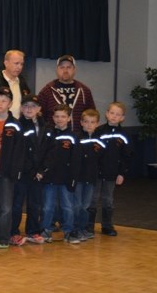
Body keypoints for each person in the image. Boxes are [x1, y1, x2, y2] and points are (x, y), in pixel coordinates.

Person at [0, 87, 24, 248]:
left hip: (7, 173)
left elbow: (20, 151)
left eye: (4, 101)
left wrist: (15, 171)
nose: (0, 104)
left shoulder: (15, 125)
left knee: (6, 207)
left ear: (10, 104)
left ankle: (3, 237)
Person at [37, 104, 81, 244]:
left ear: (69, 118)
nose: (59, 119)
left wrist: (73, 178)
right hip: (49, 178)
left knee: (67, 206)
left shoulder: (73, 137)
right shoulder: (48, 133)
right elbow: (43, 155)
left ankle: (69, 231)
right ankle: (46, 230)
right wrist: (41, 171)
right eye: (56, 116)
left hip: (65, 179)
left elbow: (76, 160)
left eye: (63, 116)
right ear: (52, 117)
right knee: (47, 206)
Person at [88, 102, 133, 236]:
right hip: (96, 172)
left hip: (112, 173)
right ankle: (89, 225)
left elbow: (127, 156)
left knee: (108, 199)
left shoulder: (124, 135)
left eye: (118, 114)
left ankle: (107, 226)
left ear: (122, 118)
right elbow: (92, 152)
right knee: (93, 198)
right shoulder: (98, 131)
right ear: (107, 114)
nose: (114, 116)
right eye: (112, 113)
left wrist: (121, 173)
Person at [11, 94, 47, 244]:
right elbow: (20, 152)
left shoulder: (45, 126)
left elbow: (49, 150)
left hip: (38, 174)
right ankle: (13, 232)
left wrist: (42, 170)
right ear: (21, 108)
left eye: (33, 106)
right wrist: (31, 170)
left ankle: (33, 231)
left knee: (35, 204)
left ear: (39, 109)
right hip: (23, 173)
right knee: (17, 204)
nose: (29, 109)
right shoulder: (18, 126)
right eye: (26, 106)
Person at [37, 55, 96, 132]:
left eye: (69, 67)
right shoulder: (46, 91)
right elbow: (40, 117)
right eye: (62, 67)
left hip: (78, 137)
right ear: (57, 70)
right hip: (55, 138)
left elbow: (92, 115)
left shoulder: (84, 91)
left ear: (74, 70)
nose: (65, 70)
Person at [74, 109, 104, 241]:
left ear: (97, 124)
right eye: (86, 122)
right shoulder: (77, 138)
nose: (89, 125)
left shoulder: (100, 141)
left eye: (92, 122)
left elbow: (102, 159)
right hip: (79, 178)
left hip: (91, 179)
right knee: (77, 205)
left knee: (86, 206)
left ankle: (83, 228)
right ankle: (75, 230)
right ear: (81, 123)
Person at [0, 49, 31, 118]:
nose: (19, 67)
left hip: (19, 124)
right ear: (6, 63)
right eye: (16, 63)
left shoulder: (22, 82)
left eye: (21, 64)